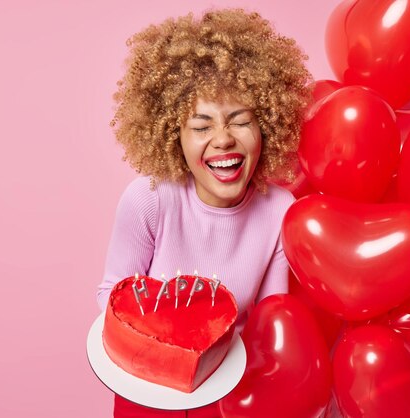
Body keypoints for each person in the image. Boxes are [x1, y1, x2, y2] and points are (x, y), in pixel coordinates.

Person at [96, 8, 312, 418]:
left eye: (240, 121)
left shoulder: (282, 212)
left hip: (234, 395)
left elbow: (272, 326)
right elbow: (111, 296)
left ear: (267, 125)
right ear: (173, 136)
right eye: (201, 126)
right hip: (148, 389)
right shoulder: (149, 199)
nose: (223, 139)